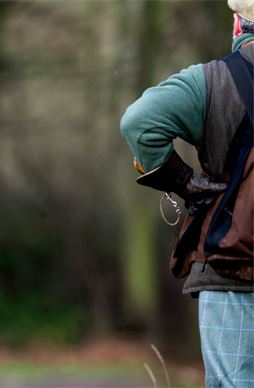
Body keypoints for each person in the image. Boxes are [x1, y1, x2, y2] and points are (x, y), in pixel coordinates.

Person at [120, 1, 253, 386]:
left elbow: (139, 122)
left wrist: (184, 181)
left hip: (233, 271)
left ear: (237, 24)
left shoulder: (210, 82)